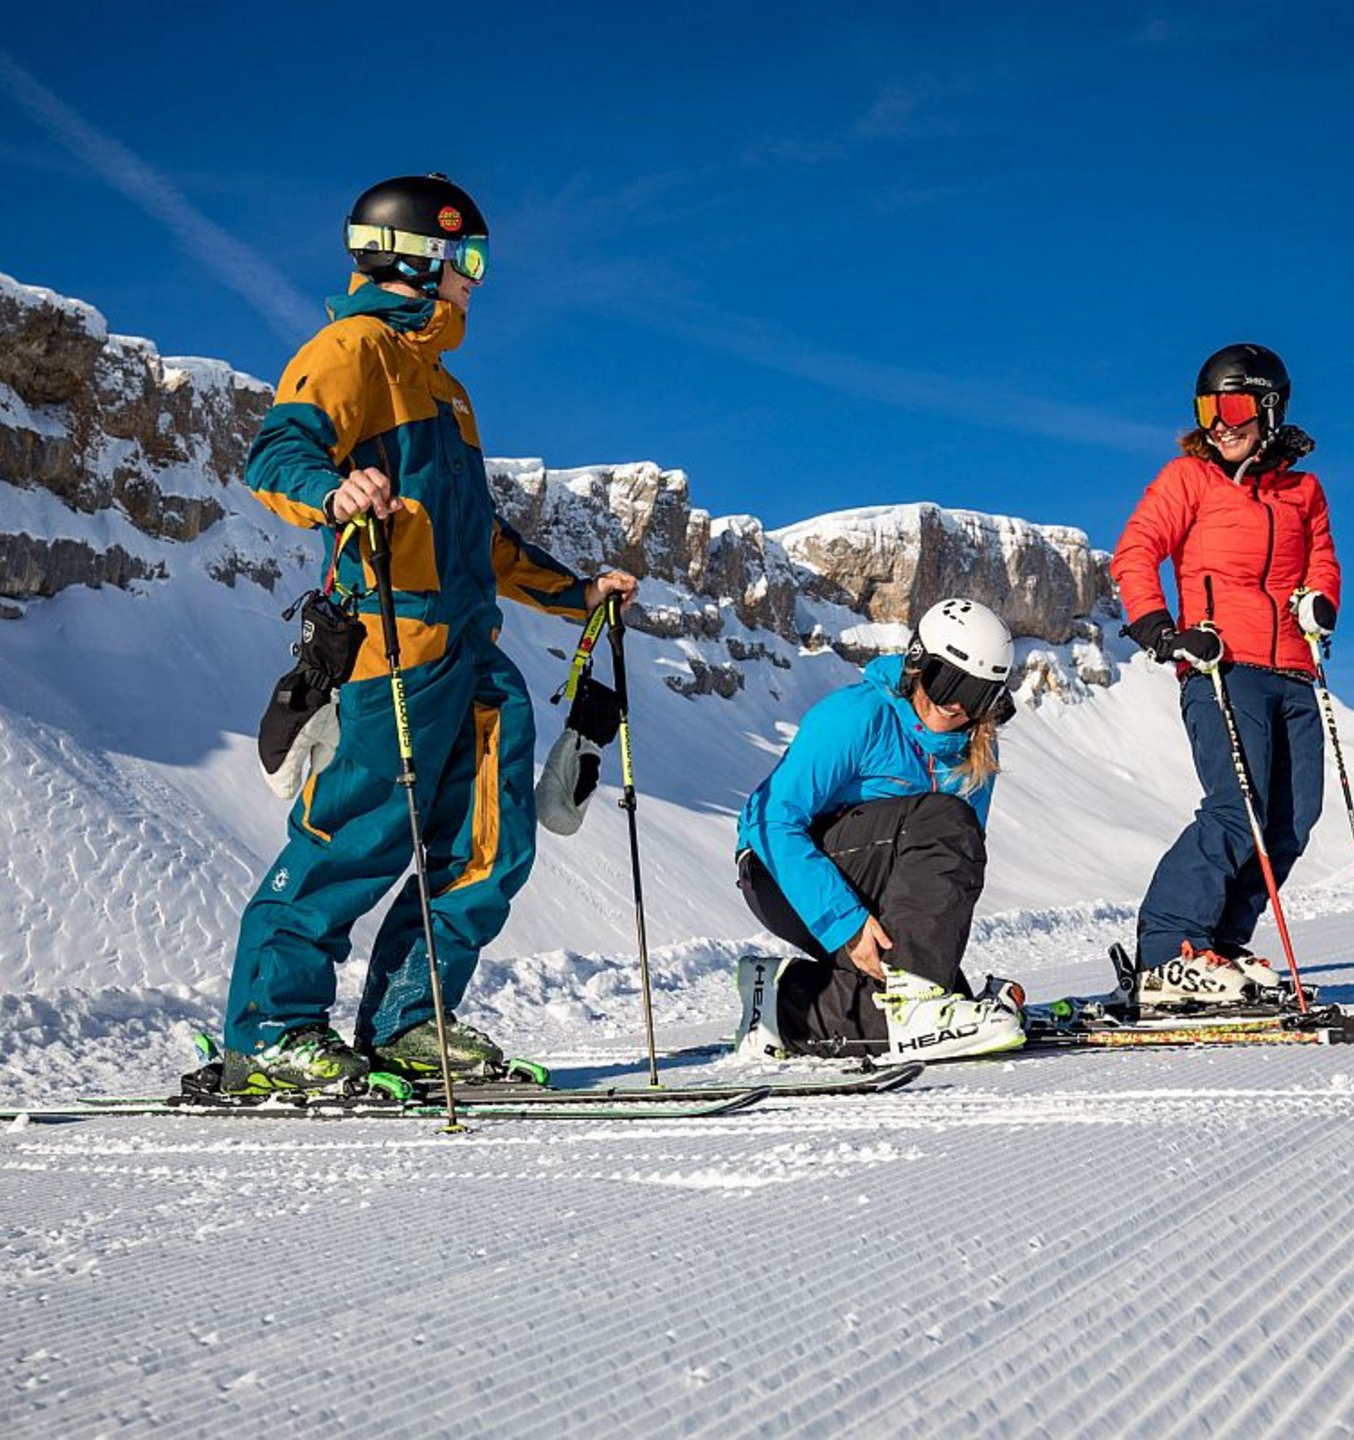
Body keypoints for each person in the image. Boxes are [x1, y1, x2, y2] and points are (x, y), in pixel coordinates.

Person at [221, 173, 638, 1092]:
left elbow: (479, 538)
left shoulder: (444, 389)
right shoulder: (352, 350)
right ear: (419, 257)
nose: (478, 281)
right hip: (390, 653)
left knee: (489, 846)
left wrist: (580, 595)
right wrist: (337, 488)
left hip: (470, 656)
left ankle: (416, 1020)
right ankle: (270, 1032)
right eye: (471, 261)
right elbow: (279, 450)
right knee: (353, 841)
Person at [1108, 343, 1340, 1011]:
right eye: (1208, 408)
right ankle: (1165, 952)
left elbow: (1322, 562)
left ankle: (1219, 946)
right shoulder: (1189, 479)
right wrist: (1158, 625)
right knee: (1236, 811)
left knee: (1292, 820)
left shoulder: (1303, 490)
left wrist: (1320, 602)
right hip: (1220, 667)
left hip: (1293, 671)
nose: (1220, 423)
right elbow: (1137, 551)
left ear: (1268, 408)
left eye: (1233, 406)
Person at [732, 599, 1028, 1063]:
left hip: (864, 874)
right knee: (946, 820)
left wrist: (929, 965)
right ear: (917, 662)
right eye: (948, 681)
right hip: (778, 870)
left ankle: (779, 1005)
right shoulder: (858, 715)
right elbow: (774, 820)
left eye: (976, 695)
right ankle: (915, 1003)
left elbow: (947, 873)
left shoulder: (975, 763)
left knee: (941, 1007)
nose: (955, 703)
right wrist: (845, 924)